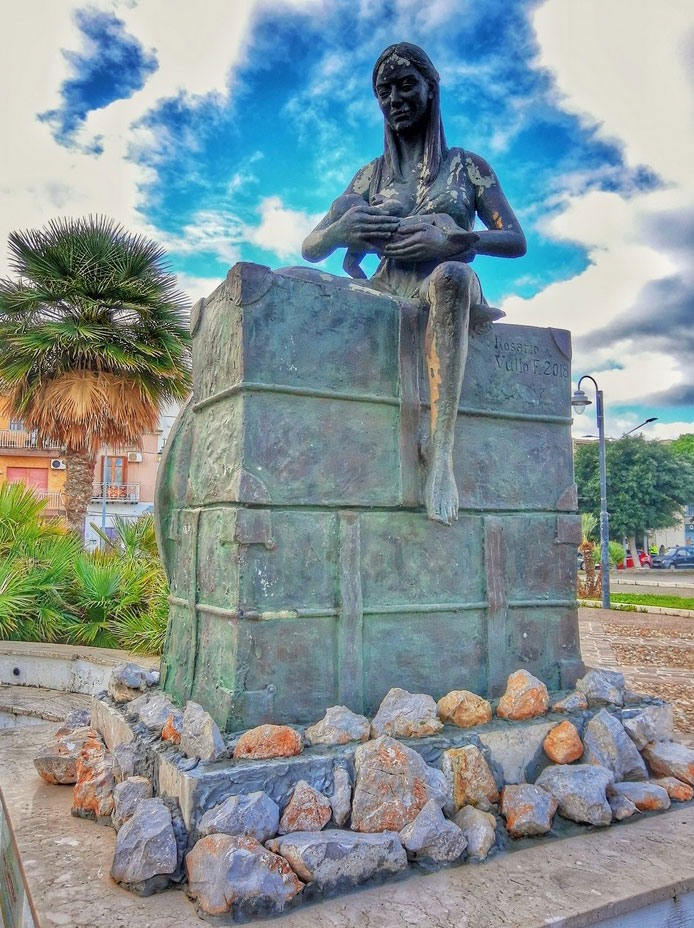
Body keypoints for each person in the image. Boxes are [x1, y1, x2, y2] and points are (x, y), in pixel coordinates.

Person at [302, 42, 526, 524]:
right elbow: (312, 245)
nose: (395, 98)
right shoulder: (370, 176)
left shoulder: (466, 166)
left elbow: (514, 239)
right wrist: (343, 233)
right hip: (385, 286)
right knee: (296, 282)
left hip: (443, 283)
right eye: (385, 91)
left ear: (430, 88)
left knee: (452, 278)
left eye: (406, 85)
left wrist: (452, 240)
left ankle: (439, 452)